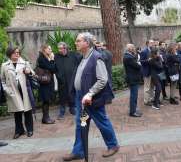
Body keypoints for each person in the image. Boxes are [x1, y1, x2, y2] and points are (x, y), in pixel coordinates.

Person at [63, 32, 119, 161]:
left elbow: (102, 80)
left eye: (78, 41)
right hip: (81, 99)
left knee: (102, 122)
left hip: (91, 99)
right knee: (81, 123)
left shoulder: (96, 57)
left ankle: (113, 145)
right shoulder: (83, 57)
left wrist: (90, 93)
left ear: (86, 43)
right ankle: (78, 151)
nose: (75, 43)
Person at [1, 47, 35, 138]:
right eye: (15, 52)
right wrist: (7, 90)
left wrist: (29, 72)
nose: (17, 54)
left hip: (24, 90)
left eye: (18, 52)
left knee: (27, 110)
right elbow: (2, 80)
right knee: (17, 112)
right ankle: (19, 130)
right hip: (13, 92)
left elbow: (33, 74)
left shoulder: (24, 63)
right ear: (10, 54)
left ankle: (30, 129)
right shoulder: (5, 65)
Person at [55, 42, 80, 119]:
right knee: (62, 96)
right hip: (61, 80)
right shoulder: (56, 56)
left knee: (72, 94)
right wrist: (58, 75)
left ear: (65, 48)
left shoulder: (73, 55)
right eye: (58, 48)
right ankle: (62, 111)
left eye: (61, 48)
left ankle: (72, 109)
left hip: (71, 79)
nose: (59, 50)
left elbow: (79, 63)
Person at [37, 44, 57, 124]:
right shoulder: (41, 58)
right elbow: (51, 68)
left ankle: (46, 117)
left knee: (47, 100)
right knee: (45, 100)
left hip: (48, 82)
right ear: (44, 49)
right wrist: (52, 60)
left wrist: (51, 60)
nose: (51, 50)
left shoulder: (46, 58)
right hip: (44, 82)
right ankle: (45, 118)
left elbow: (54, 69)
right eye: (49, 49)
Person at [123, 44, 143, 117]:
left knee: (134, 95)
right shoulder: (128, 57)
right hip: (133, 79)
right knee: (134, 95)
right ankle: (132, 112)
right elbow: (137, 66)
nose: (134, 49)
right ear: (130, 49)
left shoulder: (128, 56)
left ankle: (134, 109)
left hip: (132, 78)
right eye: (133, 48)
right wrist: (139, 63)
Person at [140, 40, 154, 106]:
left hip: (152, 71)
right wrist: (148, 60)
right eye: (151, 43)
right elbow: (141, 61)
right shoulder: (144, 51)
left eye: (153, 43)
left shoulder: (152, 50)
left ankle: (151, 98)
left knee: (152, 86)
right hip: (146, 71)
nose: (152, 44)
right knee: (147, 87)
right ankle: (146, 101)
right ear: (147, 44)